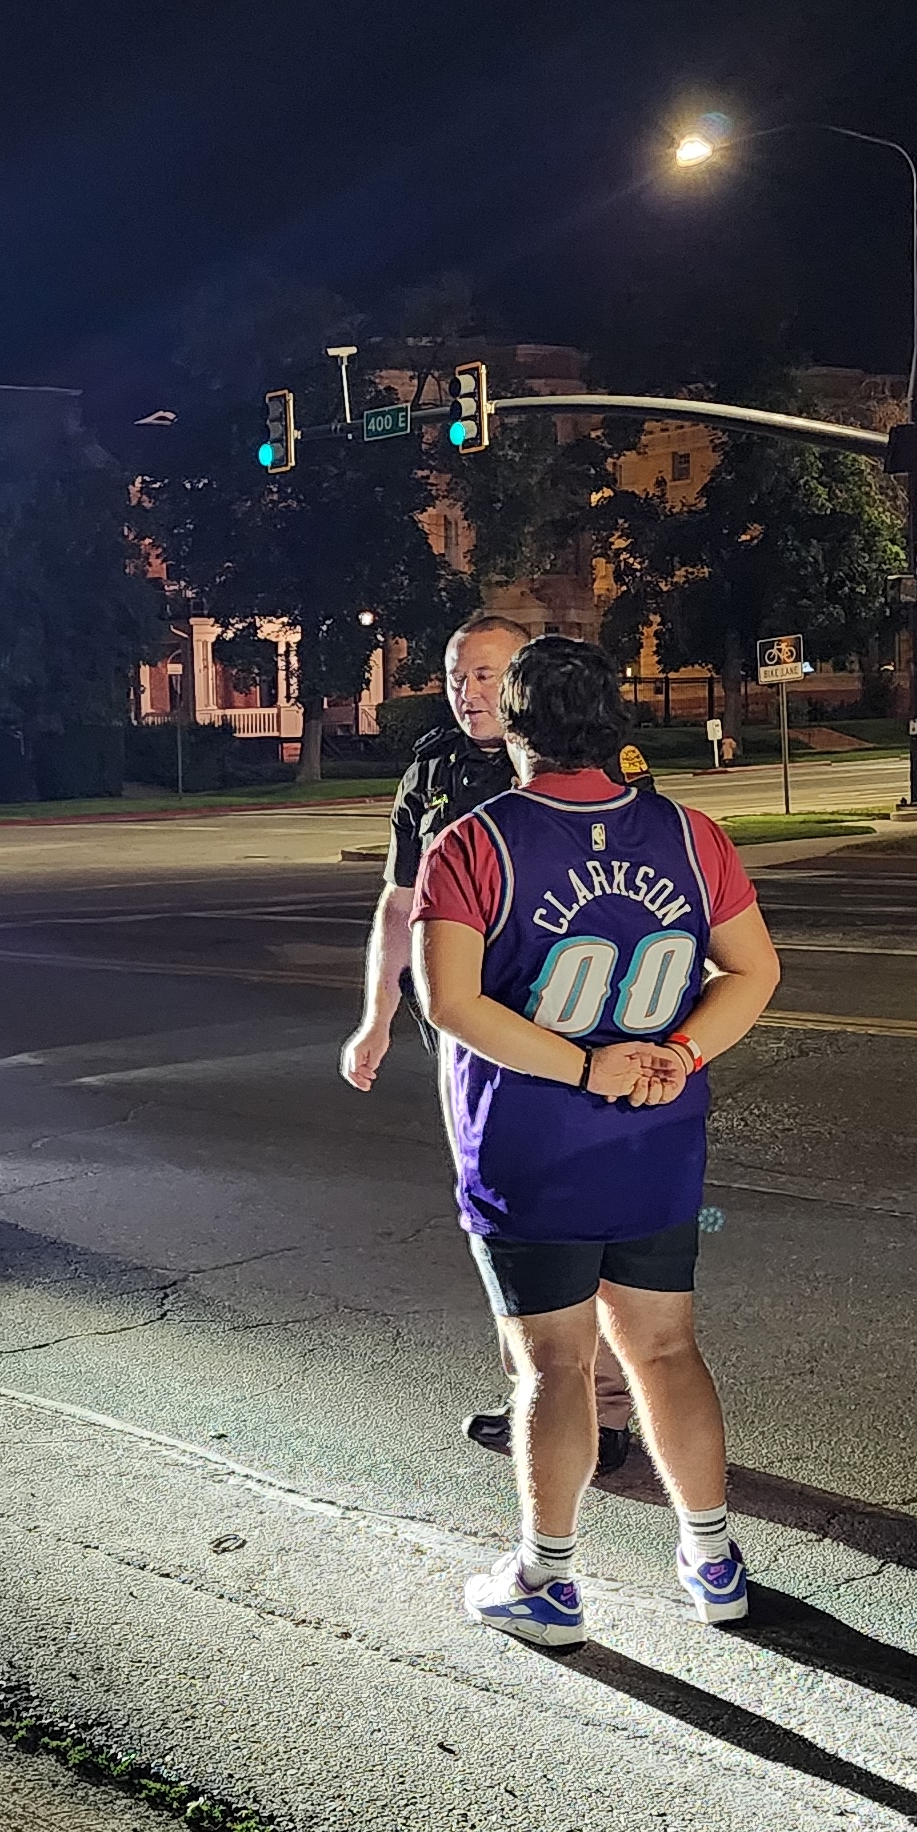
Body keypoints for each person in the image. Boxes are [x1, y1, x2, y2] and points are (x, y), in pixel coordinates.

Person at [410, 635, 783, 1642]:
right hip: (654, 1140)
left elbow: (447, 1001)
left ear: (514, 725)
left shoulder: (473, 844)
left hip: (530, 1148)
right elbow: (754, 973)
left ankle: (548, 1579)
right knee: (665, 1350)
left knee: (553, 1369)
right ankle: (712, 1562)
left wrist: (584, 1067)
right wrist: (679, 1054)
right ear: (613, 720)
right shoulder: (691, 835)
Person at [341, 611, 642, 1474]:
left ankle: (608, 1409)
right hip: (471, 1045)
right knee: (502, 1221)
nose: (468, 690)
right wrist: (377, 1014)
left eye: (486, 674)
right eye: (455, 673)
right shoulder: (431, 771)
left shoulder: (583, 767)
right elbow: (399, 906)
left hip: (577, 1040)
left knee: (592, 1222)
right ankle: (539, 1397)